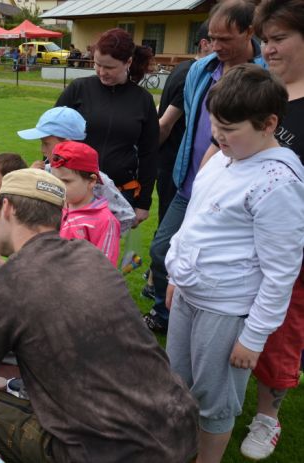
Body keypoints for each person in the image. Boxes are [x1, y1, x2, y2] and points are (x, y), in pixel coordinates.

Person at [0, 168, 199, 462]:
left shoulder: (8, 284)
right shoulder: (89, 255)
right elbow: (37, 286)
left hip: (105, 454)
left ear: (6, 207)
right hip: (177, 428)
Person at [165, 64, 304, 463]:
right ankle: (182, 451)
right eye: (214, 125)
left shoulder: (279, 184)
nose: (217, 136)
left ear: (268, 124)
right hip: (191, 295)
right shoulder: (225, 159)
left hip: (226, 311)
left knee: (215, 399)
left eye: (228, 128)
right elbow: (196, 221)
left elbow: (281, 273)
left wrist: (254, 337)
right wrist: (177, 274)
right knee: (180, 384)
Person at [144, 0, 266, 334]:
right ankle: (168, 315)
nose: (216, 46)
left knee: (225, 265)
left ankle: (236, 329)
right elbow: (189, 121)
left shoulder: (267, 73)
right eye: (212, 38)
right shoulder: (201, 69)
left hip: (237, 193)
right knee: (162, 250)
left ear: (249, 32)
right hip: (191, 183)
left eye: (226, 39)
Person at [239, 1, 304, 459]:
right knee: (232, 320)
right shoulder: (264, 90)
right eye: (265, 38)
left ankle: (268, 416)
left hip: (289, 246)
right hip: (239, 237)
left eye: (279, 38)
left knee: (281, 331)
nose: (269, 47)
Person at [55, 28, 158, 228]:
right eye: (97, 64)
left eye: (109, 67)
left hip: (118, 196)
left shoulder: (143, 101)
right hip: (74, 191)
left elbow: (149, 154)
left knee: (105, 256)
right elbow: (52, 136)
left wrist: (143, 202)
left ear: (128, 62)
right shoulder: (79, 89)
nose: (101, 72)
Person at [141, 21, 212, 301]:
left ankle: (155, 284)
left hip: (173, 165)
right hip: (177, 166)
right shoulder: (192, 74)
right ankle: (162, 296)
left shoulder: (182, 69)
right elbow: (166, 123)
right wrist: (147, 157)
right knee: (171, 237)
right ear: (204, 43)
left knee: (168, 232)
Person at [17, 106, 136, 235]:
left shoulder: (95, 179)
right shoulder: (44, 173)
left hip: (83, 252)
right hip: (49, 248)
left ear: (67, 143)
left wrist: (100, 239)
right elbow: (21, 207)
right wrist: (29, 177)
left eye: (46, 143)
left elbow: (126, 217)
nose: (42, 150)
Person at [51, 141, 120, 265]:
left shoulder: (105, 221)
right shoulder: (57, 206)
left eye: (66, 181)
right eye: (55, 180)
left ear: (92, 181)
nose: (58, 187)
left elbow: (104, 268)